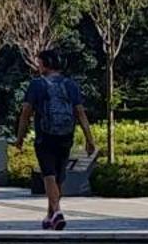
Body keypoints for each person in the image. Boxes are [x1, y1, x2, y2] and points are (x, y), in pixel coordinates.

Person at [15, 49, 95, 230]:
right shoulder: (71, 85)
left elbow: (26, 113)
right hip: (66, 135)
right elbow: (80, 112)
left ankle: (57, 211)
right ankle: (51, 215)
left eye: (39, 62)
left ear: (45, 63)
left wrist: (20, 138)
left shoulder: (37, 85)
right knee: (59, 175)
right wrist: (90, 139)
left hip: (45, 135)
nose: (38, 65)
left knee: (48, 174)